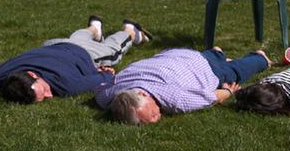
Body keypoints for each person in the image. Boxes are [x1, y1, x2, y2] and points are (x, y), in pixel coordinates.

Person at [0, 18, 150, 103]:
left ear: (33, 74)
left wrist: (104, 73)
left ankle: (130, 31)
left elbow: (105, 78)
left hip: (83, 52)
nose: (49, 95)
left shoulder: (66, 85)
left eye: (45, 91)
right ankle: (94, 28)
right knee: (76, 37)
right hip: (52, 45)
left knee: (112, 52)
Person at [93, 47, 269, 124]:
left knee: (235, 71)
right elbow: (101, 85)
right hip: (173, 55)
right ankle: (217, 53)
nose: (156, 119)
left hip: (204, 68)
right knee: (212, 56)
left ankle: (260, 57)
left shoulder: (175, 99)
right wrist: (109, 73)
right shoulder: (107, 96)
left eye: (153, 114)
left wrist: (227, 91)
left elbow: (212, 97)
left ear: (146, 96)